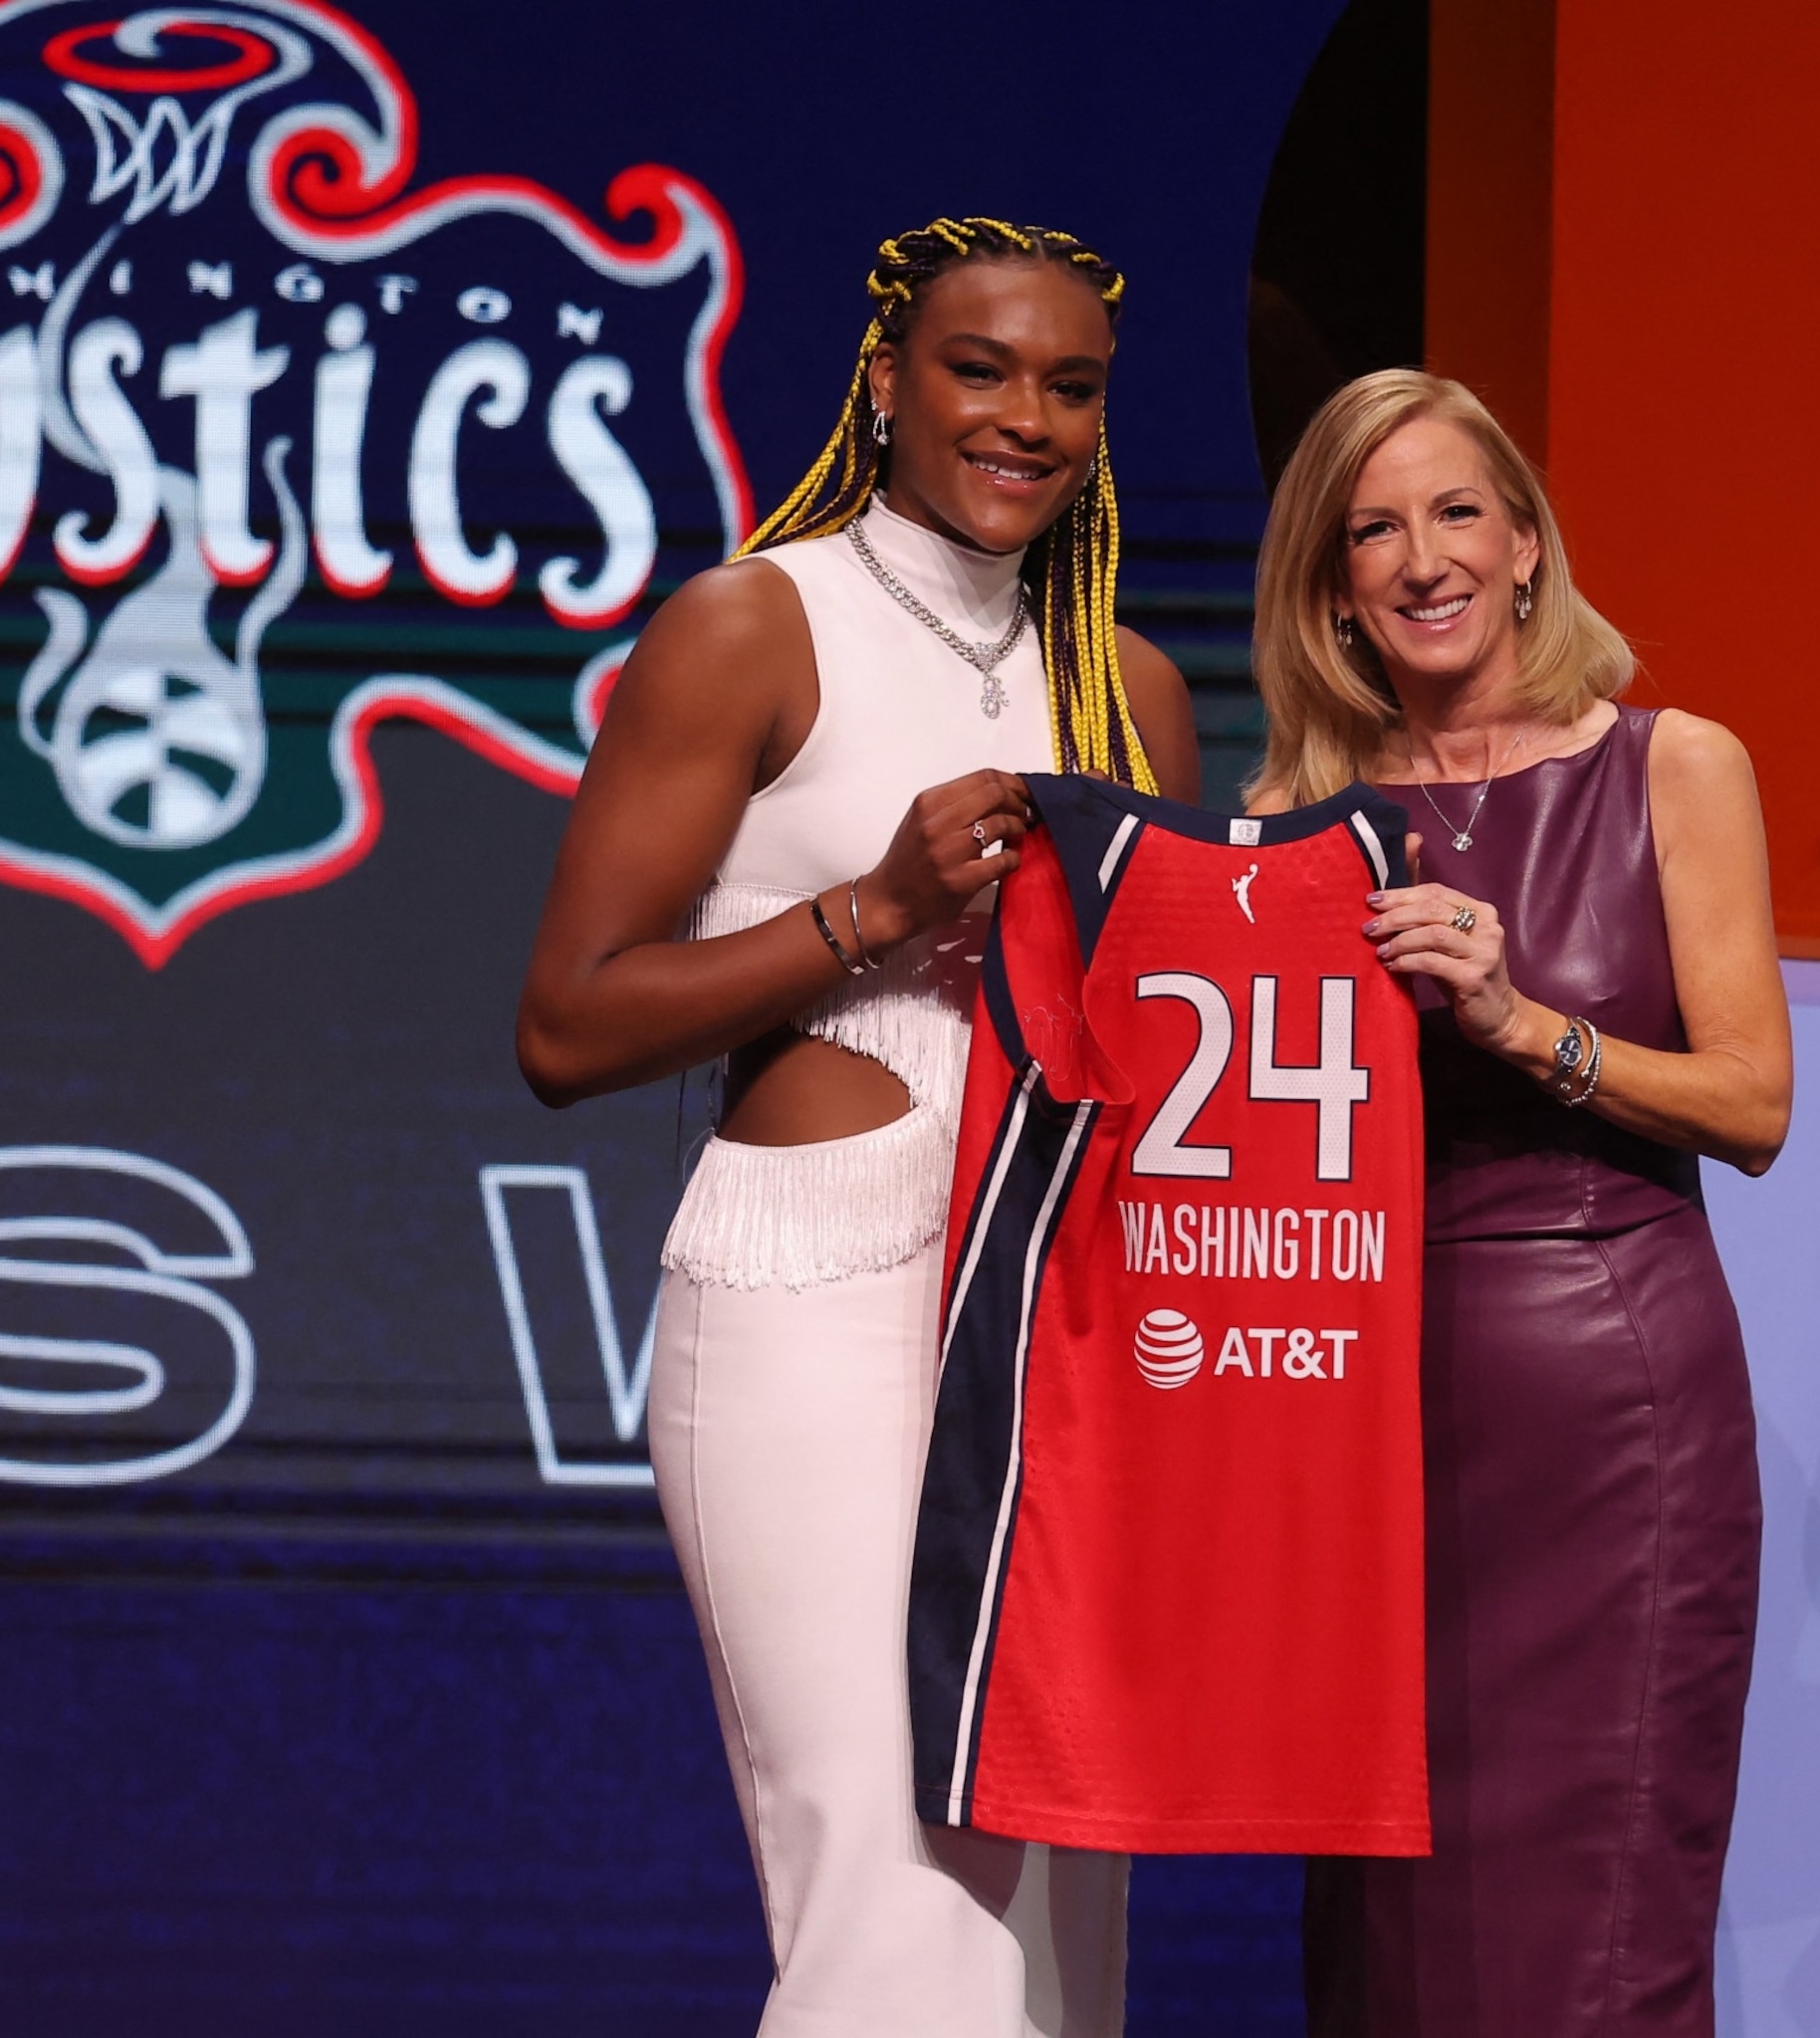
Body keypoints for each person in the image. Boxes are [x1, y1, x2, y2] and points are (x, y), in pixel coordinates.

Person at [515, 217, 1199, 2037]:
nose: (1026, 418)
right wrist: (873, 914)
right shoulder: (756, 620)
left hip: (1052, 1313)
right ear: (887, 380)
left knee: (1059, 1907)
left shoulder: (1129, 692)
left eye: (1073, 387)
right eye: (981, 369)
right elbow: (568, 1022)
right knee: (899, 1888)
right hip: (818, 1288)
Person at [1256, 369, 1792, 2037]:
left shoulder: (1674, 765)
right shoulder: (1287, 828)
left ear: (1530, 546)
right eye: (1374, 530)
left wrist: (1522, 1027)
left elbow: (1754, 1106)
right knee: (1388, 1938)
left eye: (1456, 512)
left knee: (1601, 1927)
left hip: (1617, 1405)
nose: (1422, 559)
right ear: (1336, 589)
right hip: (1374, 1414)